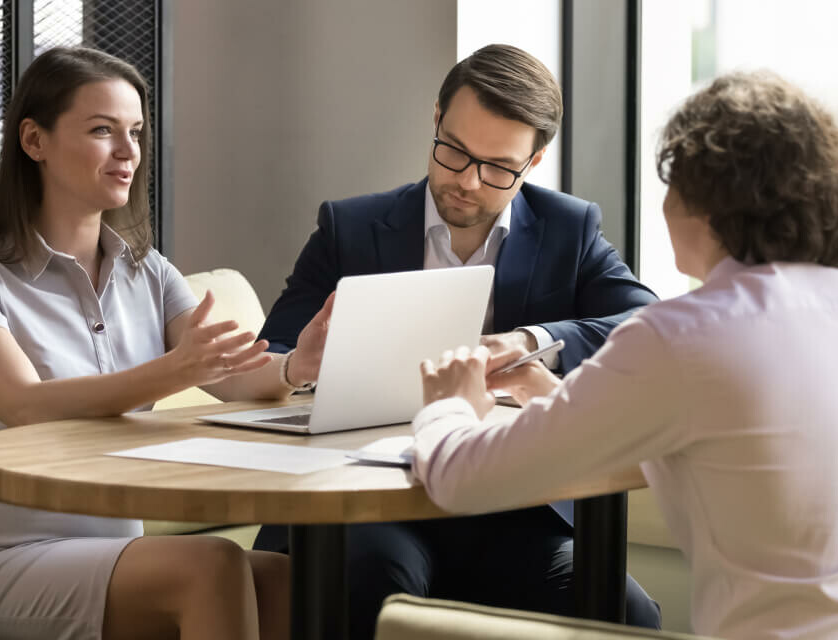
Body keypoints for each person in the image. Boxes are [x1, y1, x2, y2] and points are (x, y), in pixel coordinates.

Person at [412, 71, 838, 640]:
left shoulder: (684, 334)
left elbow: (461, 482)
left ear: (701, 201)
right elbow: (725, 439)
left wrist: (448, 404)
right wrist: (558, 399)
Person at [250, 44, 660, 635]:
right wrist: (300, 365)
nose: (467, 181)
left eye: (498, 168)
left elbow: (645, 325)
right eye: (455, 151)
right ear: (437, 117)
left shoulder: (569, 228)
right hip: (370, 498)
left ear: (535, 160)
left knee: (627, 610)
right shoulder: (351, 227)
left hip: (512, 506)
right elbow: (274, 355)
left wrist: (528, 340)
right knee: (368, 579)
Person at [0, 47, 330, 640]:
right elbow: (23, 405)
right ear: (34, 140)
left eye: (135, 132)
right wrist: (174, 370)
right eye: (102, 130)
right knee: (212, 566)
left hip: (117, 555)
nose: (128, 152)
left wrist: (298, 364)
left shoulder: (149, 271)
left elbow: (234, 376)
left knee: (286, 579)